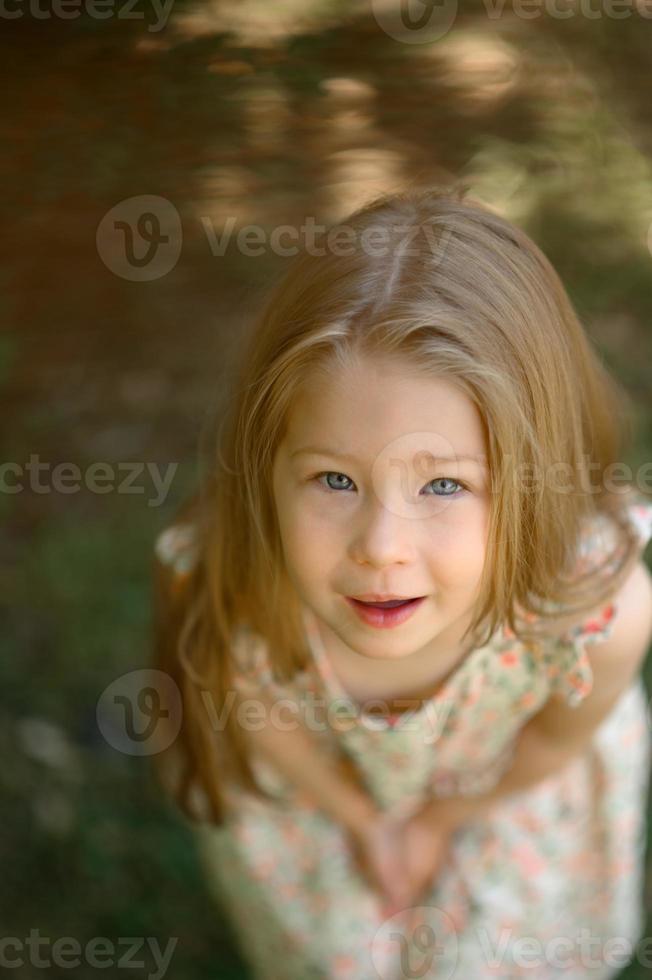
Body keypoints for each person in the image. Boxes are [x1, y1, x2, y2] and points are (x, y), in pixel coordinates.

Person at [151, 186, 652, 980]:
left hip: (507, 797)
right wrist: (363, 822)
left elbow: (555, 739)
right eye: (334, 480)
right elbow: (249, 707)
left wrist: (441, 821)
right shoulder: (240, 574)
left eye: (446, 486)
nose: (381, 549)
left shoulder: (599, 614)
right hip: (317, 799)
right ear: (265, 464)